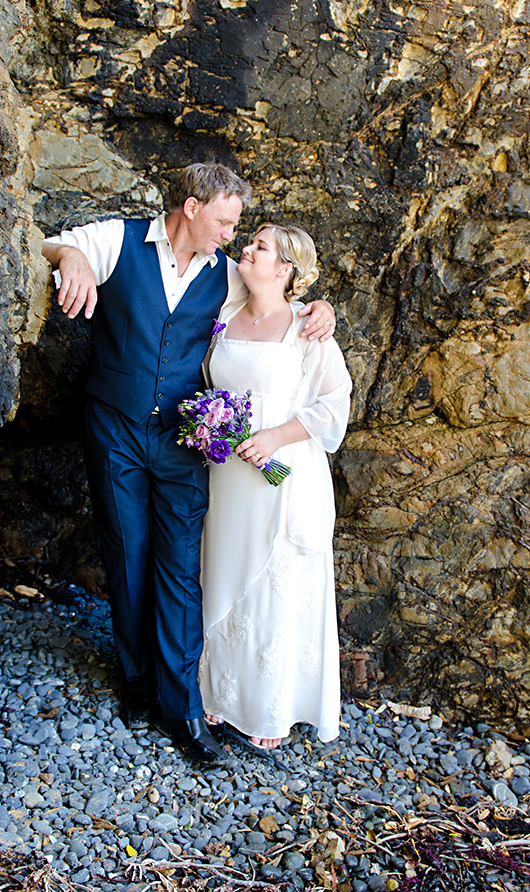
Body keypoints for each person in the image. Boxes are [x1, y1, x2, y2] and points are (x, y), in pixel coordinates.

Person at [41, 162, 336, 765]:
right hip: (114, 428)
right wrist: (69, 258)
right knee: (125, 555)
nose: (232, 234)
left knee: (179, 567)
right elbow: (51, 241)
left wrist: (321, 307)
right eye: (225, 221)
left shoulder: (229, 277)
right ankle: (137, 681)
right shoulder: (120, 240)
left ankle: (183, 708)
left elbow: (279, 296)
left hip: (182, 441)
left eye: (238, 227)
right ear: (193, 206)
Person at [198, 224, 351, 749]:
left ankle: (270, 707)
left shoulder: (307, 327)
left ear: (285, 269)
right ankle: (218, 692)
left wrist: (275, 437)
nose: (247, 249)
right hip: (228, 472)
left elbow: (335, 403)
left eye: (260, 247)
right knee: (224, 569)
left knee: (276, 581)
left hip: (283, 471)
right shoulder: (224, 311)